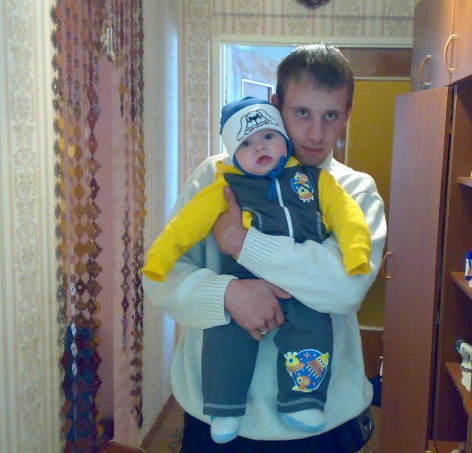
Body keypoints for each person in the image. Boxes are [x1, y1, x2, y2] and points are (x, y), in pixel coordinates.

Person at [143, 42, 387, 452]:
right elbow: (160, 277)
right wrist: (227, 294)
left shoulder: (354, 191)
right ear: (276, 105)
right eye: (302, 112)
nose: (316, 133)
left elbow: (346, 288)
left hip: (321, 420)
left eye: (330, 115)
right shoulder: (216, 179)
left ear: (347, 114)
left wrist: (241, 243)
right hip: (216, 416)